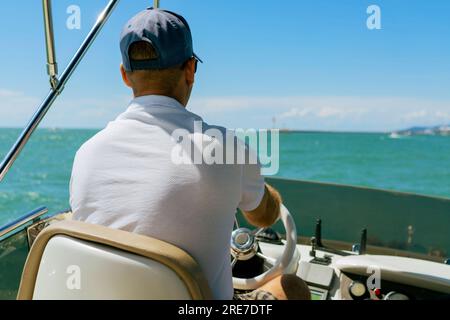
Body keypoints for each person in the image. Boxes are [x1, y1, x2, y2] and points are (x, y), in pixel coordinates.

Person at [70, 8, 310, 301]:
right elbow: (264, 216)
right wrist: (258, 190)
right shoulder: (226, 149)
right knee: (292, 288)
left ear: (125, 75)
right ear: (190, 70)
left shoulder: (86, 154)